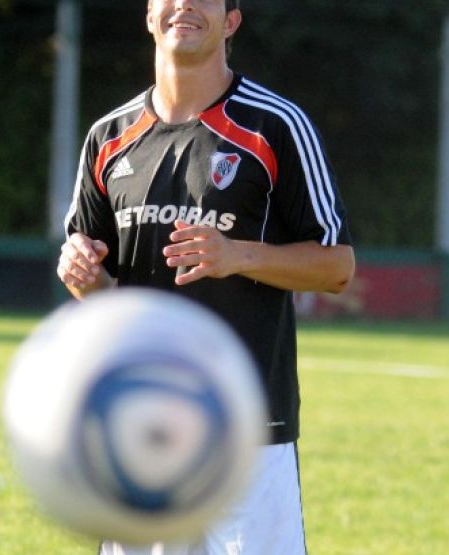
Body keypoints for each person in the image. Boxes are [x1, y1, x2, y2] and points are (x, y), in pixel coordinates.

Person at [57, 0, 354, 553]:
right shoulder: (108, 138)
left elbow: (337, 267)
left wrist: (238, 256)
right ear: (149, 16)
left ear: (231, 21)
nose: (185, 4)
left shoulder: (275, 126)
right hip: (139, 427)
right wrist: (80, 274)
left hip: (246, 430)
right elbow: (100, 295)